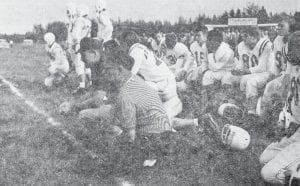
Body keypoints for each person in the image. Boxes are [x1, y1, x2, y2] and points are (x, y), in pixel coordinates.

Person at [117, 32, 199, 129]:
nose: (120, 48)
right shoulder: (141, 47)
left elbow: (130, 78)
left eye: (121, 44)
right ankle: (195, 122)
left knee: (158, 122)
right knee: (158, 119)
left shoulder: (134, 52)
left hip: (164, 85)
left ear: (126, 43)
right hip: (165, 82)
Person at [260, 31, 300, 185]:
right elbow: (291, 97)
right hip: (298, 129)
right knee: (264, 159)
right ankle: (294, 168)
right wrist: (287, 123)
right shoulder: (294, 64)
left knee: (269, 174)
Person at [231, 27, 273, 115]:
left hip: (265, 72)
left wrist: (244, 71)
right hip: (250, 73)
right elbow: (242, 63)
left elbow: (262, 67)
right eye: (242, 36)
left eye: (246, 36)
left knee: (250, 81)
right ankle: (238, 105)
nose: (243, 39)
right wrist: (237, 70)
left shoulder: (265, 44)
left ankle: (252, 111)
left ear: (254, 37)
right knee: (232, 78)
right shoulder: (242, 45)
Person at [258, 19, 292, 116]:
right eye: (278, 26)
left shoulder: (295, 41)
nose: (279, 28)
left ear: (290, 28)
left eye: (282, 26)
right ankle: (266, 115)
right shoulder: (277, 39)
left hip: (292, 73)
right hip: (281, 72)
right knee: (270, 86)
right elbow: (275, 60)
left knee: (275, 88)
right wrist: (274, 73)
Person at [71, 4, 92, 94]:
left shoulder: (80, 20)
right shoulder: (88, 21)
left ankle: (82, 87)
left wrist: (75, 44)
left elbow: (76, 35)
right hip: (87, 44)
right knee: (86, 66)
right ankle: (91, 83)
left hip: (79, 44)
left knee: (79, 65)